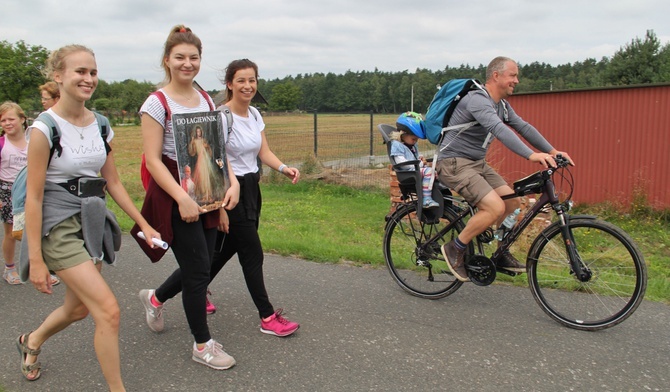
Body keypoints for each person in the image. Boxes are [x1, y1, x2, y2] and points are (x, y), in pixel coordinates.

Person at [16, 45, 160, 391]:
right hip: (56, 226)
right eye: (80, 71)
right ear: (58, 76)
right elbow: (33, 199)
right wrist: (36, 259)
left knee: (78, 309)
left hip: (90, 222)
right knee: (108, 311)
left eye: (93, 72)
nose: (88, 78)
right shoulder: (44, 129)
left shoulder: (101, 124)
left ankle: (31, 341)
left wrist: (143, 223)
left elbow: (112, 182)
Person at [140, 58, 301, 341]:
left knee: (216, 256)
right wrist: (221, 207)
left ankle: (158, 297)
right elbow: (215, 157)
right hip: (228, 191)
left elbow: (263, 151)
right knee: (252, 254)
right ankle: (267, 316)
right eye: (241, 80)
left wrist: (283, 168)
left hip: (251, 188)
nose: (248, 86)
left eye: (252, 80)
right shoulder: (220, 115)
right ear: (229, 84)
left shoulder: (254, 114)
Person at [136, 25, 240, 370]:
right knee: (198, 270)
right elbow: (153, 159)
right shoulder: (156, 103)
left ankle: (155, 297)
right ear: (167, 60)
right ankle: (202, 345)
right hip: (173, 194)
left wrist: (231, 185)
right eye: (180, 57)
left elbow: (218, 150)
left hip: (208, 188)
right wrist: (182, 198)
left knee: (203, 262)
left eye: (193, 57)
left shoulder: (207, 99)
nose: (187, 63)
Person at [435, 56, 574, 282]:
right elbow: (497, 129)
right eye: (513, 75)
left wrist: (552, 151)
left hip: (476, 164)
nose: (516, 80)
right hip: (454, 162)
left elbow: (523, 128)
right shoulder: (477, 99)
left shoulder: (501, 106)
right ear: (496, 76)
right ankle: (455, 248)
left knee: (511, 202)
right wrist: (532, 155)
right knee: (494, 207)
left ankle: (500, 253)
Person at [0, 102, 30, 284]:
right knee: (12, 232)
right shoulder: (2, 143)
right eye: (3, 120)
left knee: (37, 230)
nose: (7, 123)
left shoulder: (33, 140)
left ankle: (38, 266)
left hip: (31, 189)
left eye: (11, 119)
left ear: (22, 119)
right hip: (7, 191)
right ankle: (9, 268)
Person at [389, 111, 439, 209]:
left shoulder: (411, 145)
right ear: (403, 134)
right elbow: (402, 164)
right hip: (408, 173)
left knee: (437, 173)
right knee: (429, 172)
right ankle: (427, 199)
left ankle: (445, 202)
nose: (415, 141)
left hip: (414, 170)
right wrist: (419, 164)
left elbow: (414, 157)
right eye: (413, 139)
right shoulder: (397, 145)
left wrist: (420, 159)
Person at [188, 125, 215, 202]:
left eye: (199, 131)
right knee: (201, 177)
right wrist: (192, 143)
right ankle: (203, 195)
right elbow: (192, 152)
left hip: (206, 160)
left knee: (207, 176)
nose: (198, 133)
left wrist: (207, 147)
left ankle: (208, 195)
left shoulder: (204, 140)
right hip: (200, 160)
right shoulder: (195, 141)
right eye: (197, 132)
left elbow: (209, 151)